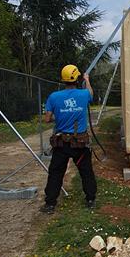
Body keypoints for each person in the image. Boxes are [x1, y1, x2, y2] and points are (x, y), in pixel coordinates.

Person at [42, 64, 97, 213]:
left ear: (63, 79)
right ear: (77, 78)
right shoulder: (84, 94)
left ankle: (50, 204)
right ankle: (90, 199)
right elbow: (91, 94)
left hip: (61, 144)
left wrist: (59, 117)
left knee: (56, 172)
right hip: (79, 144)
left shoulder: (54, 97)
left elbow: (47, 119)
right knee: (86, 171)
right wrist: (87, 79)